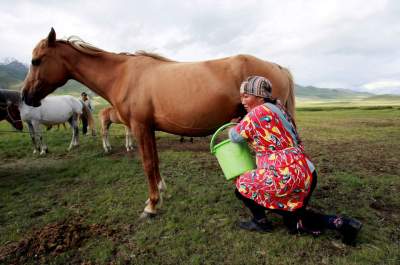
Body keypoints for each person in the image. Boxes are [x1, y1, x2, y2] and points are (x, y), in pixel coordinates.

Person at [229, 76, 362, 245]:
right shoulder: (279, 107)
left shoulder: (257, 112)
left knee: (242, 185)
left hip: (286, 175)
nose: (243, 101)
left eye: (246, 96)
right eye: (242, 96)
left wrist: (234, 125)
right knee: (293, 221)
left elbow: (234, 137)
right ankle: (344, 225)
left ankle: (260, 222)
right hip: (306, 170)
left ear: (260, 97)